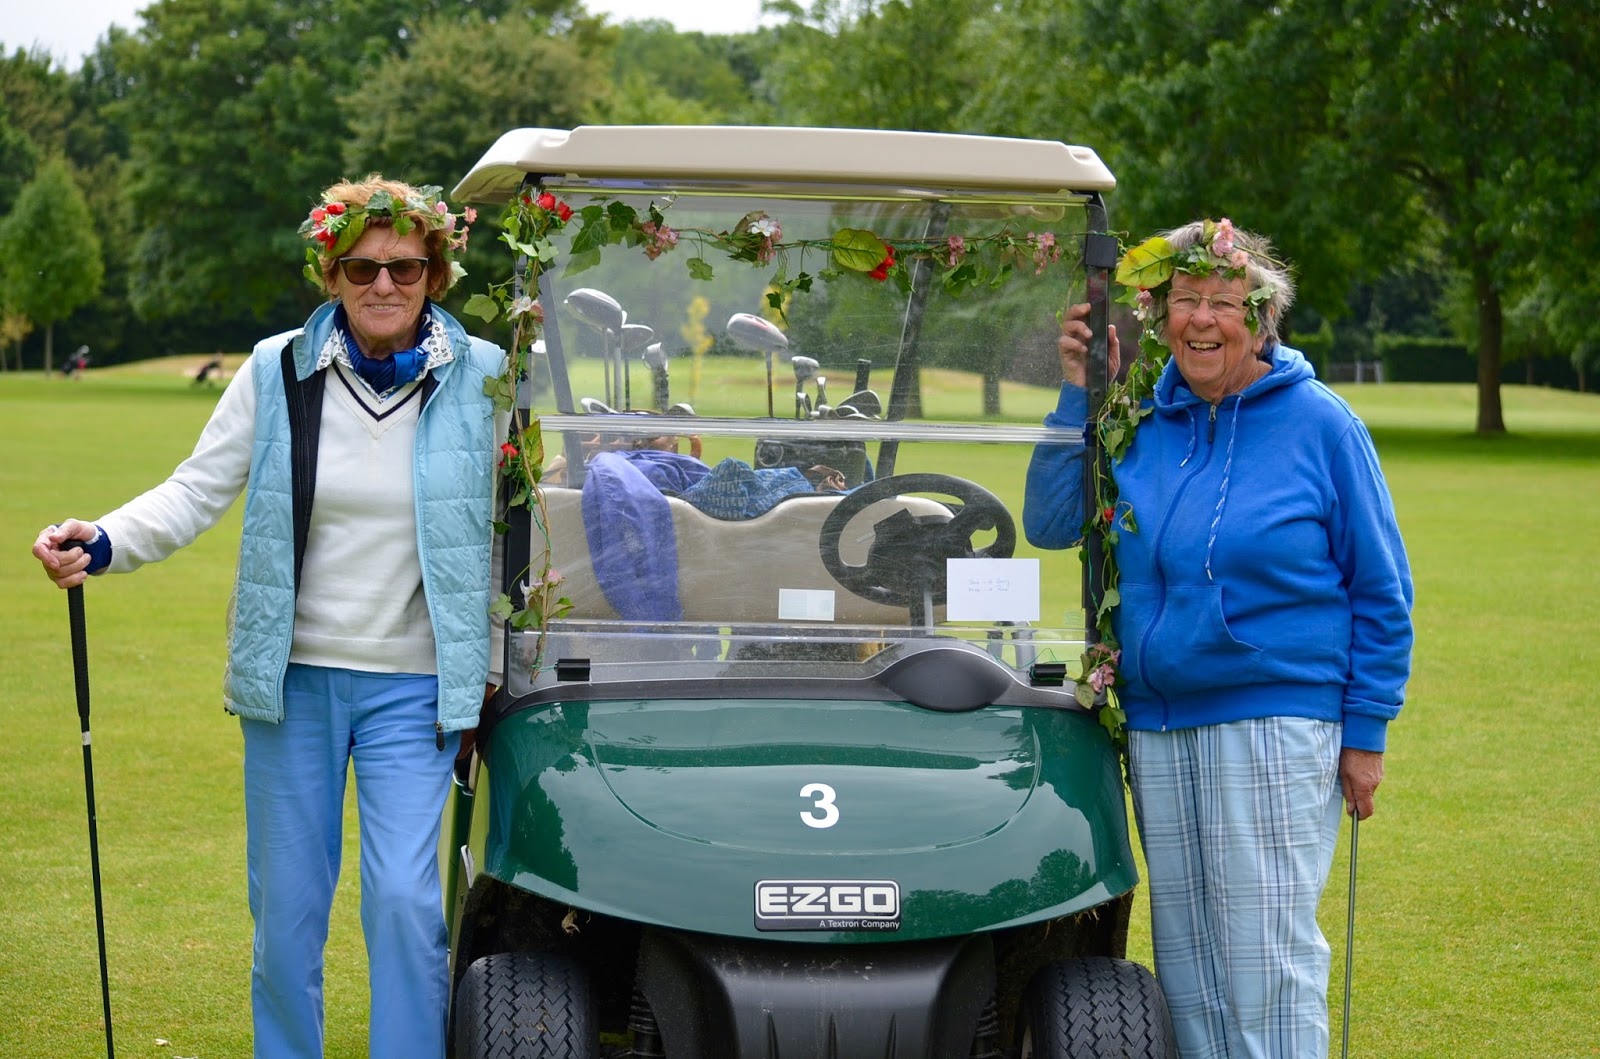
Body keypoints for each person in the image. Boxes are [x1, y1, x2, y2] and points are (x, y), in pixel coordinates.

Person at [32, 175, 504, 1059]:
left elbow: (522, 526)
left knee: (405, 904)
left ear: (435, 273)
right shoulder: (275, 368)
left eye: (404, 266)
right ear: (331, 274)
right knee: (286, 914)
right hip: (294, 683)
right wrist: (105, 539)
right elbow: (194, 489)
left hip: (416, 686)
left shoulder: (484, 375)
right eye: (360, 267)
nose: (383, 284)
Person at [1023, 219, 1414, 1059]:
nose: (1201, 319)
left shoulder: (1321, 423)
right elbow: (1051, 520)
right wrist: (1078, 392)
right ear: (1160, 316)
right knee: (1190, 968)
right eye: (1184, 299)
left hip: (1275, 717)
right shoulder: (1139, 420)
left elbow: (1382, 588)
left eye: (1223, 303)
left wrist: (1366, 732)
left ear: (1261, 319)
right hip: (1161, 724)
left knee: (1263, 958)